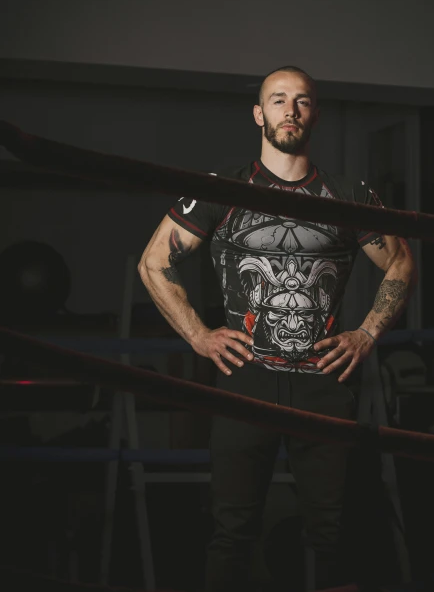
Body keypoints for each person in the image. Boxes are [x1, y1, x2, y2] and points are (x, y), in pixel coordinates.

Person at [138, 66, 416, 591]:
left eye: (302, 101)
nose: (290, 110)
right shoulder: (221, 190)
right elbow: (154, 262)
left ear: (314, 114)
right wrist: (198, 334)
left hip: (323, 382)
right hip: (247, 379)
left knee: (339, 534)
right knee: (232, 530)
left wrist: (366, 334)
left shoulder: (347, 193)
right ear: (258, 113)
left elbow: (401, 263)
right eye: (278, 99)